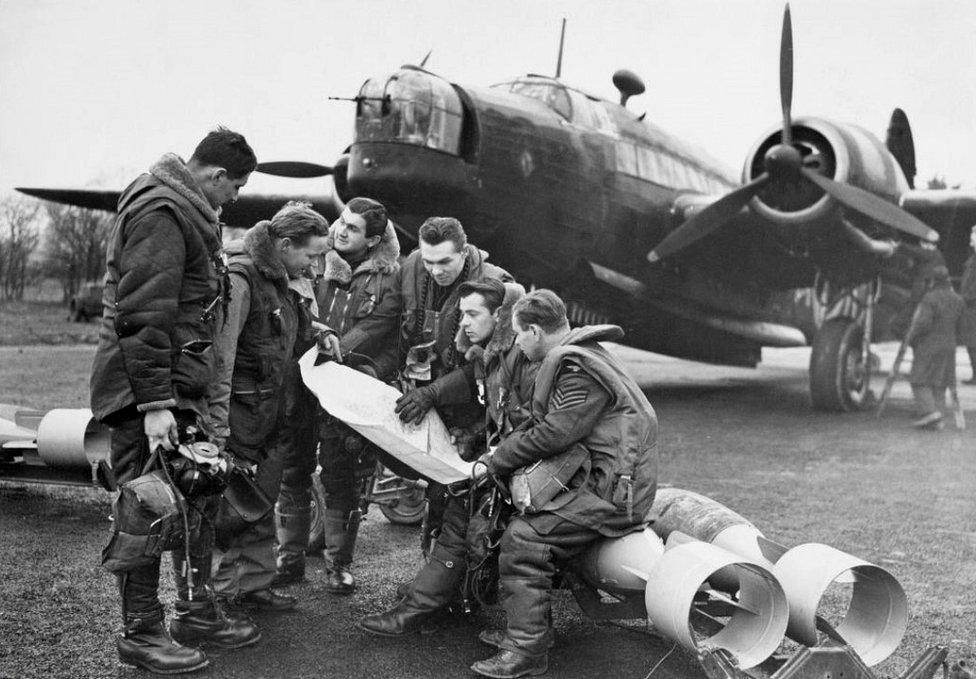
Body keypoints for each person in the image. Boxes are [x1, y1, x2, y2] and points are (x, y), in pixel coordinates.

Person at [91, 128, 259, 674]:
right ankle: (140, 632)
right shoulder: (163, 212)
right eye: (234, 186)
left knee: (197, 492)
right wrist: (154, 404)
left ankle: (195, 611)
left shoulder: (184, 210)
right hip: (148, 391)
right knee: (145, 505)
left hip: (173, 386)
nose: (234, 198)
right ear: (213, 176)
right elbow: (144, 311)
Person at [471, 290, 659, 679]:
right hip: (605, 483)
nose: (518, 346)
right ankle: (531, 631)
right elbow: (549, 426)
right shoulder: (585, 355)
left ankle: (527, 651)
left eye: (520, 336)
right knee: (518, 520)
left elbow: (555, 433)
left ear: (536, 331)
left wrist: (494, 462)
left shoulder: (577, 368)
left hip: (612, 494)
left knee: (525, 538)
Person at [359, 277, 535, 635]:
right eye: (462, 314)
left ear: (499, 317)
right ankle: (443, 595)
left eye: (473, 314)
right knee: (449, 501)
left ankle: (417, 608)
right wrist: (437, 401)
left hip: (527, 467)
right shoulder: (494, 355)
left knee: (461, 510)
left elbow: (532, 423)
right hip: (508, 457)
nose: (464, 322)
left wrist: (490, 457)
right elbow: (472, 377)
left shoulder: (521, 358)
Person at [274, 197, 402, 592]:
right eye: (341, 222)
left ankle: (338, 565)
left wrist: (371, 371)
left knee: (341, 475)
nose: (340, 231)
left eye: (353, 228)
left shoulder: (390, 280)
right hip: (302, 382)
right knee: (293, 469)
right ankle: (289, 558)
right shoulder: (312, 264)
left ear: (374, 239)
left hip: (347, 391)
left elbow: (393, 341)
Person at [208, 202, 330, 612]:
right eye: (310, 255)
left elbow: (285, 335)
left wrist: (318, 335)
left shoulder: (281, 278)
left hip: (273, 415)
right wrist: (218, 428)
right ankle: (226, 596)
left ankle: (255, 585)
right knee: (233, 508)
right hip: (241, 419)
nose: (314, 267)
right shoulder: (241, 279)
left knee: (262, 501)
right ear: (283, 244)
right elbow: (221, 356)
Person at [392, 217, 513, 549]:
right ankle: (433, 565)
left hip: (471, 408)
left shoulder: (495, 285)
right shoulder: (413, 266)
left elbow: (486, 363)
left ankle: (455, 577)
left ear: (465, 251)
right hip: (424, 396)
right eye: (429, 261)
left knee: (460, 492)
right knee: (433, 486)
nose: (436, 270)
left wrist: (433, 393)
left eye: (445, 261)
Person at [906, 265, 964, 429]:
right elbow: (961, 325)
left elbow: (923, 323)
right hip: (949, 345)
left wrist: (911, 338)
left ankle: (929, 413)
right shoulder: (957, 299)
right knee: (940, 381)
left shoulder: (930, 298)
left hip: (929, 344)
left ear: (931, 281)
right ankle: (938, 418)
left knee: (918, 379)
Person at [956, 227, 976, 383]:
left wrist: (965, 298)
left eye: (973, 235)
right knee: (970, 342)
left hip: (972, 306)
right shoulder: (972, 258)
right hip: (969, 306)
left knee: (973, 342)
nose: (971, 238)